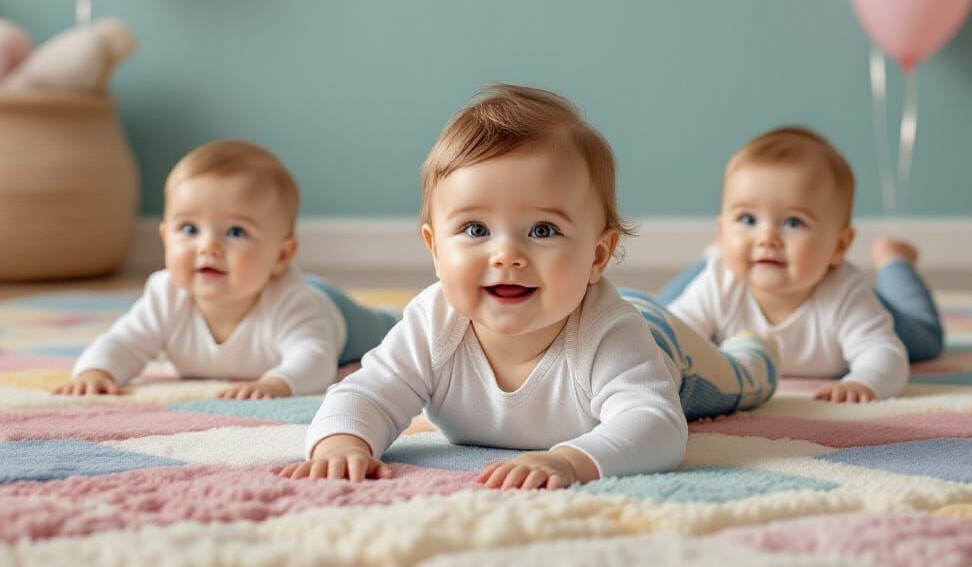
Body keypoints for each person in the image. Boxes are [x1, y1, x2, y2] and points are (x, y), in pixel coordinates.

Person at [280, 85, 778, 489]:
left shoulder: (609, 332)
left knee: (744, 379)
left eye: (542, 231)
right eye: (476, 230)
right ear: (434, 248)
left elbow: (657, 427)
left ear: (597, 256)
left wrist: (570, 461)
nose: (506, 255)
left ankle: (755, 344)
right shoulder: (434, 322)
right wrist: (342, 442)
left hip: (662, 343)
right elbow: (368, 391)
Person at [54, 141, 395, 399]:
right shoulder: (166, 295)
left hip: (335, 312)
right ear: (164, 237)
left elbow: (316, 360)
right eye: (189, 229)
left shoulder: (295, 302)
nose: (208, 247)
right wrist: (96, 370)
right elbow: (124, 341)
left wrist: (277, 383)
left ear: (281, 255)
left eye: (235, 232)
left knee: (390, 332)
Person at [658, 127, 944, 404]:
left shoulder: (846, 294)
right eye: (747, 220)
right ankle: (714, 252)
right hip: (725, 264)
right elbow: (674, 338)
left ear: (839, 246)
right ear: (722, 229)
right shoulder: (720, 283)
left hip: (863, 298)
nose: (766, 238)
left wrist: (864, 381)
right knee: (661, 312)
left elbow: (885, 353)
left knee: (925, 341)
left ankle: (894, 260)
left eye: (793, 222)